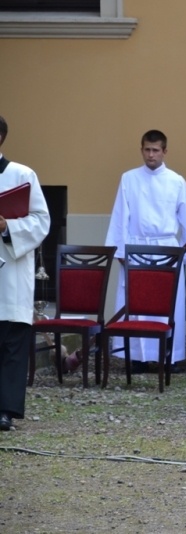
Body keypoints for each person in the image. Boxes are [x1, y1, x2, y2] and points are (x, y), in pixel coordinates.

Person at [105, 130, 186, 373]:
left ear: (165, 151)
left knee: (166, 303)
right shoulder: (129, 178)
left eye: (156, 150)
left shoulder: (176, 181)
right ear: (141, 149)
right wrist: (121, 253)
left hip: (166, 247)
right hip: (136, 246)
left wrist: (185, 253)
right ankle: (136, 356)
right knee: (136, 303)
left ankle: (169, 357)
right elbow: (120, 217)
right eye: (147, 149)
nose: (151, 155)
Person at [0, 114, 50, 431]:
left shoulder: (21, 174)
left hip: (9, 271)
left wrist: (8, 226)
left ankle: (5, 410)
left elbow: (41, 221)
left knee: (10, 344)